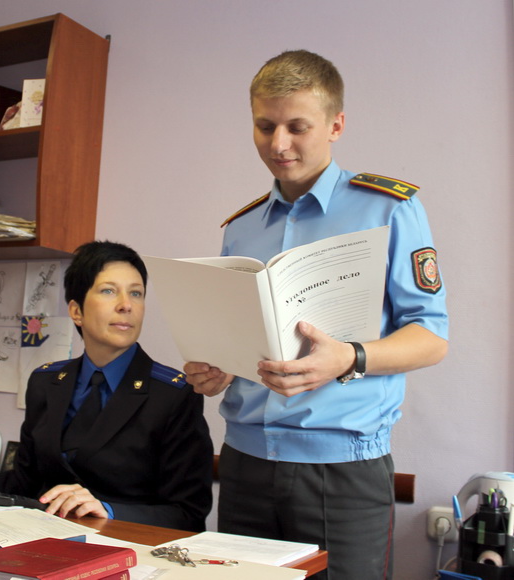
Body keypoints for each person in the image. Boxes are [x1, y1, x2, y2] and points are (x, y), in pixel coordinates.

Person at [184, 50, 448, 579]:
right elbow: (239, 336)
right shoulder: (241, 227)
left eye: (297, 127)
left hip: (343, 468)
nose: (278, 144)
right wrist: (215, 369)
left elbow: (431, 338)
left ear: (336, 125)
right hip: (244, 462)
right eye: (264, 126)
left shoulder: (389, 208)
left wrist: (348, 358)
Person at [0, 241, 213, 532]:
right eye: (108, 291)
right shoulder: (46, 382)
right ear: (76, 311)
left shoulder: (172, 394)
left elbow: (188, 513)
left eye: (136, 293)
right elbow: (25, 484)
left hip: (129, 550)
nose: (126, 305)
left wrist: (109, 511)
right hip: (43, 540)